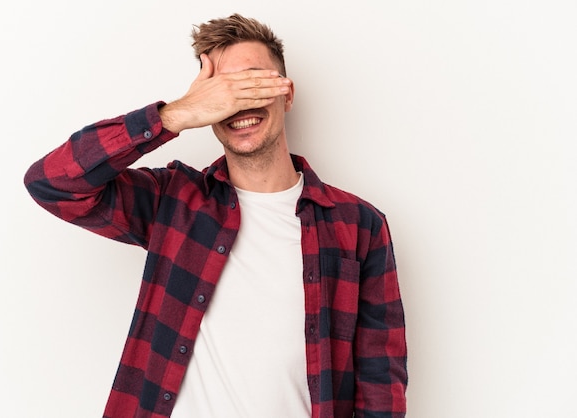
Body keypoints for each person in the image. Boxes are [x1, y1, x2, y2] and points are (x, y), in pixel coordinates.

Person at [24, 13, 407, 418]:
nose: (238, 102)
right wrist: (173, 115)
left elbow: (381, 383)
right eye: (223, 91)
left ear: (287, 93)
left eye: (252, 82)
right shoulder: (172, 201)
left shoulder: (359, 226)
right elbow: (52, 183)